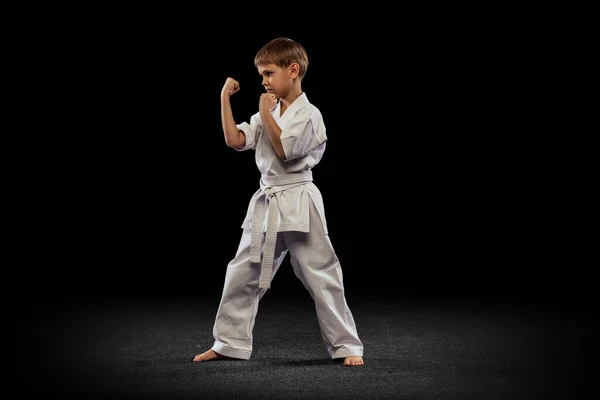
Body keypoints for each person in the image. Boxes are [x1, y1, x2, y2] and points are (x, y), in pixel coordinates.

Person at [193, 37, 364, 366]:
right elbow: (235, 140)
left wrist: (261, 110)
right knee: (242, 272)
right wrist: (224, 99)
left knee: (322, 274)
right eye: (261, 75)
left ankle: (347, 345)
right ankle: (229, 342)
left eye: (269, 73)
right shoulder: (269, 111)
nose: (264, 81)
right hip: (268, 201)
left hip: (299, 199)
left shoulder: (310, 115)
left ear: (293, 70)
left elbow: (284, 150)